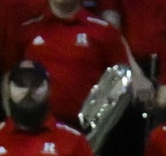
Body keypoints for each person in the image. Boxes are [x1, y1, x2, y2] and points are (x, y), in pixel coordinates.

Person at [13, 0, 141, 128]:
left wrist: (98, 127)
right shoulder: (27, 30)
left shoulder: (104, 31)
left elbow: (121, 78)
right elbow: (9, 78)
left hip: (88, 131)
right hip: (36, 128)